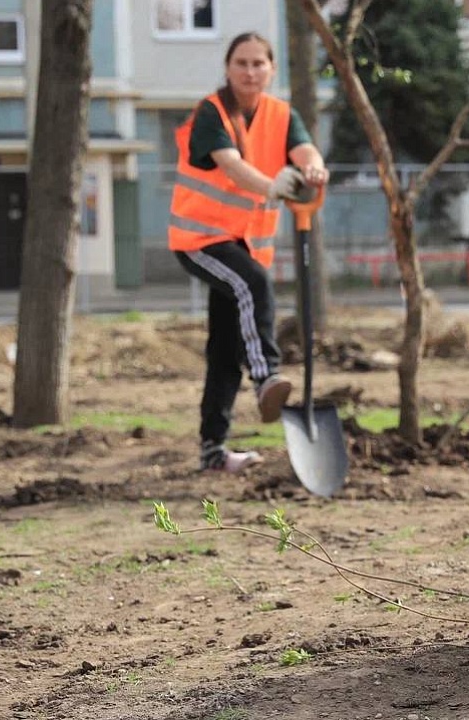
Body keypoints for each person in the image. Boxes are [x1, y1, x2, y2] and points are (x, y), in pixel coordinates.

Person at [168, 32, 328, 473]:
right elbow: (232, 166)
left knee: (225, 348)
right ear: (228, 67)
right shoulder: (212, 112)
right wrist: (273, 186)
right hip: (200, 240)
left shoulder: (281, 114)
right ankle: (267, 378)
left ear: (271, 68)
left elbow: (303, 147)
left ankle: (212, 451)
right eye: (241, 62)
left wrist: (312, 165)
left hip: (244, 244)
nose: (250, 71)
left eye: (259, 63)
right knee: (253, 284)